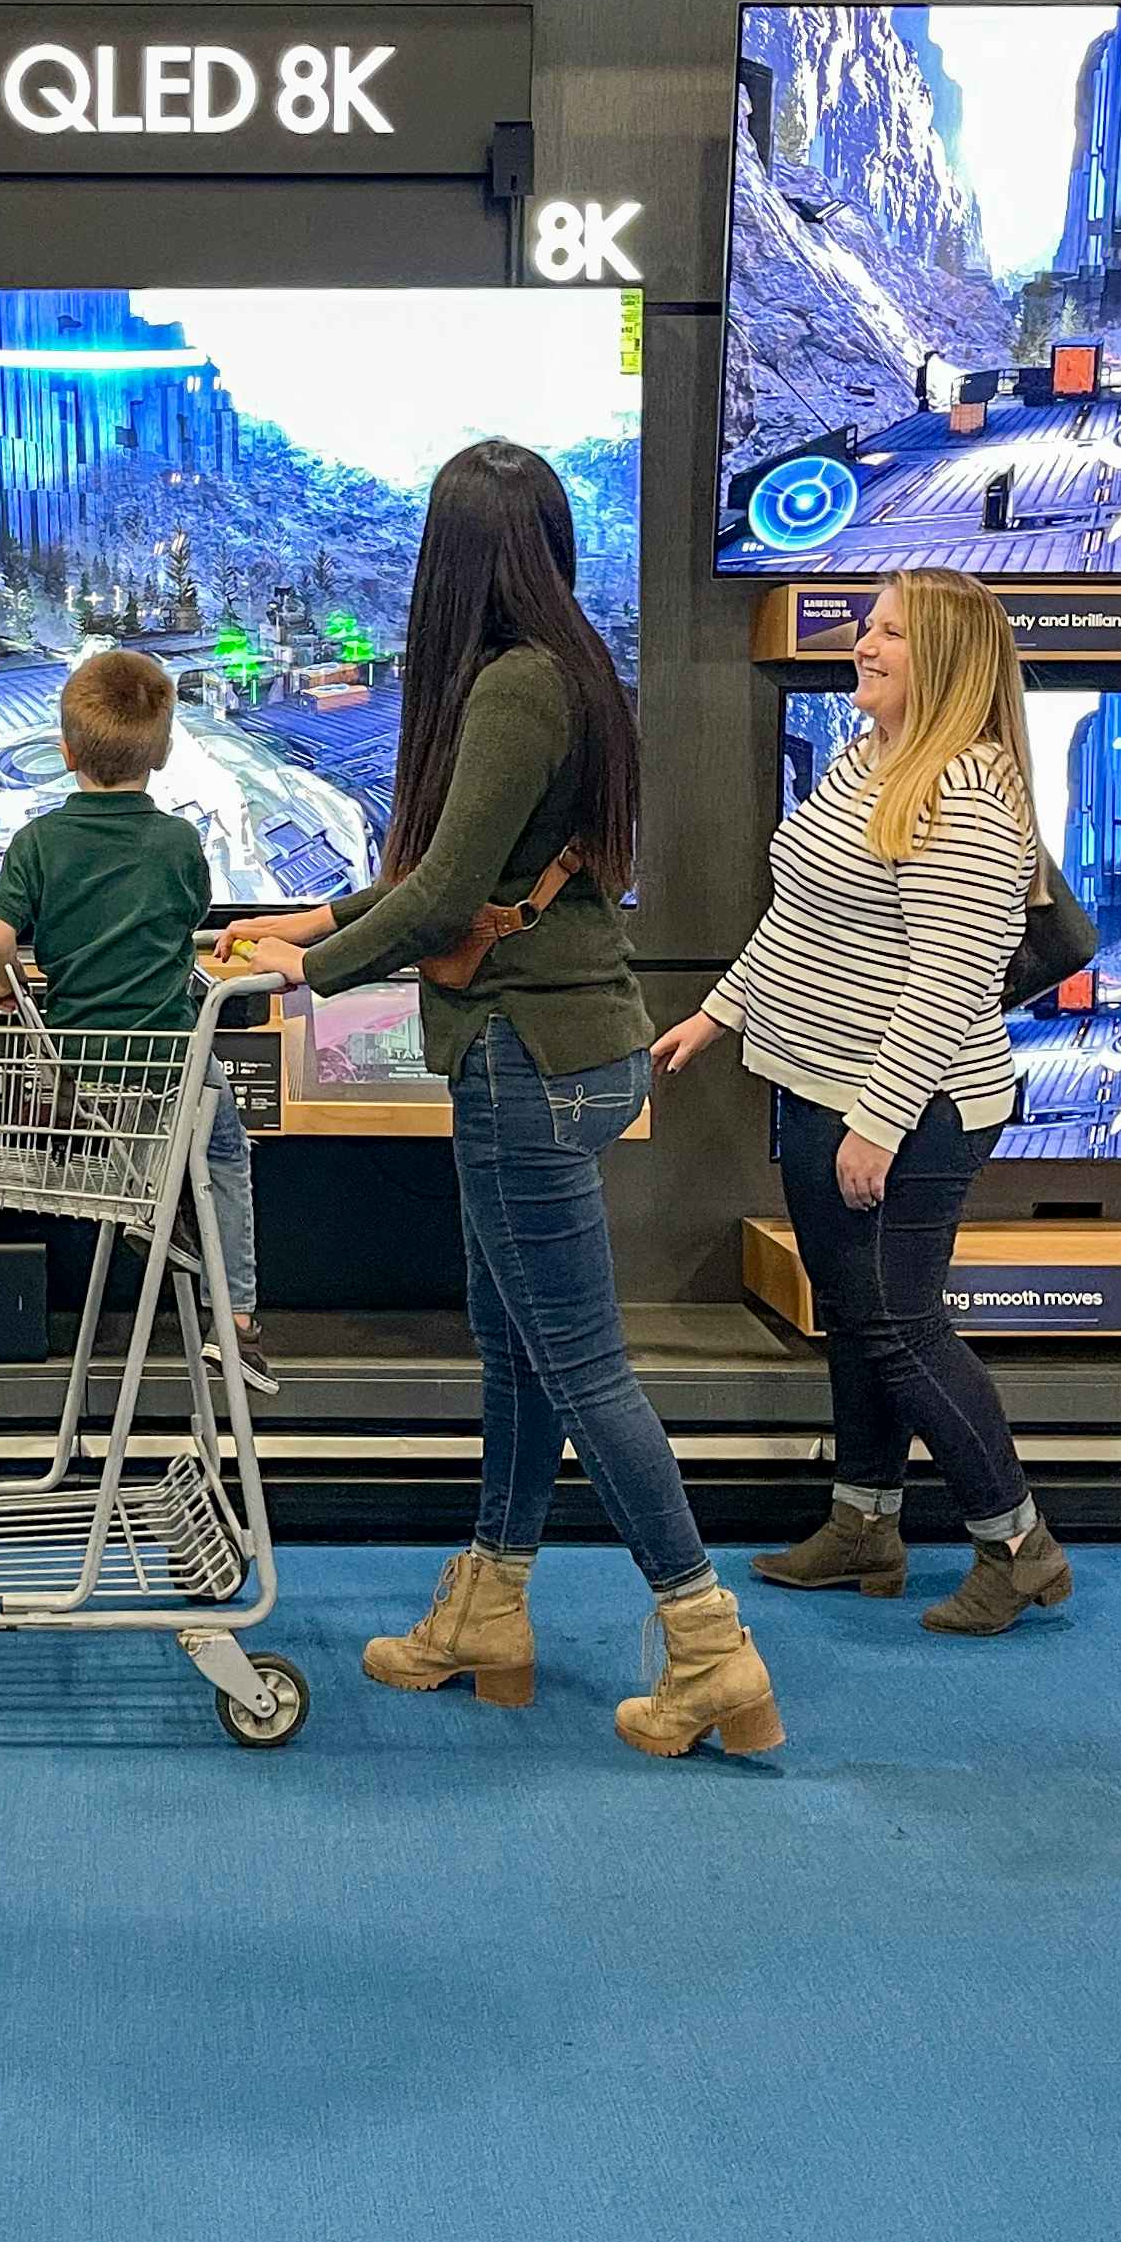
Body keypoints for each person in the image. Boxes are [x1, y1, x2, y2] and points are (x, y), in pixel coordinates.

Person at [229, 442, 777, 1757]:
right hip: (562, 1048)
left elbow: (437, 895)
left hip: (524, 1060)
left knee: (579, 1363)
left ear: (455, 560)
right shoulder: (570, 669)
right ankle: (492, 1606)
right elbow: (464, 879)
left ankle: (708, 1643)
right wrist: (317, 913)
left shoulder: (516, 690)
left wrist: (314, 967)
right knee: (523, 1346)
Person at [654, 568, 1071, 1634]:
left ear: (949, 665)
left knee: (900, 1325)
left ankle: (1017, 1542)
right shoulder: (865, 763)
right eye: (869, 626)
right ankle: (863, 1523)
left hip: (909, 1116)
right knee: (857, 1321)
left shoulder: (968, 794)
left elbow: (953, 976)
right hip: (812, 1090)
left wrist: (878, 1121)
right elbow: (801, 923)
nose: (864, 645)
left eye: (892, 633)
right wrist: (720, 1015)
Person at [0, 648, 269, 1397]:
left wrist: (11, 989)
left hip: (79, 1074)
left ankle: (152, 1201)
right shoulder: (178, 843)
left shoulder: (39, 842)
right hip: (170, 1068)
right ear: (163, 751)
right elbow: (191, 914)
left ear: (66, 750)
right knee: (225, 1152)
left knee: (144, 1148)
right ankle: (234, 1324)